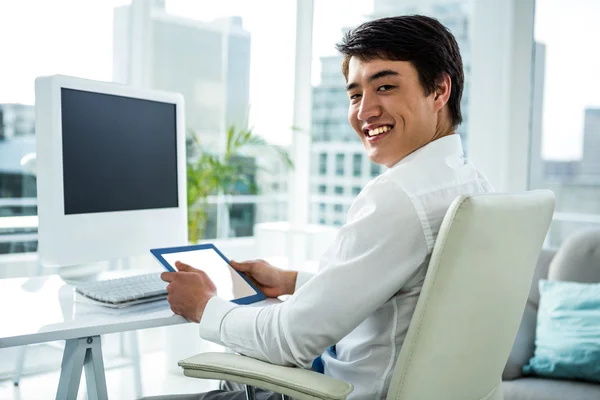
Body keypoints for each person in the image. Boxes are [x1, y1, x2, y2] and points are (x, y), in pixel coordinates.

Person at [144, 14, 493, 400]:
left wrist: (204, 306)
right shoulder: (471, 184)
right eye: (356, 94)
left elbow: (289, 341)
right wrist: (294, 282)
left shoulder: (400, 196)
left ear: (439, 90)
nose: (364, 111)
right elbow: (406, 298)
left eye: (386, 86)